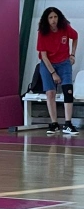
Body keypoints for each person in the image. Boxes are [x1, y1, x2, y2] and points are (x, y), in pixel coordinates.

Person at [37, 7, 79, 135]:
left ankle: (68, 124)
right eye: (50, 17)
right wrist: (53, 73)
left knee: (68, 90)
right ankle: (54, 123)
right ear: (47, 20)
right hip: (48, 63)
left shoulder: (65, 28)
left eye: (55, 17)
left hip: (64, 62)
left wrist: (72, 54)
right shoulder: (42, 33)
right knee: (50, 93)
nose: (53, 20)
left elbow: (75, 37)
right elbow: (44, 56)